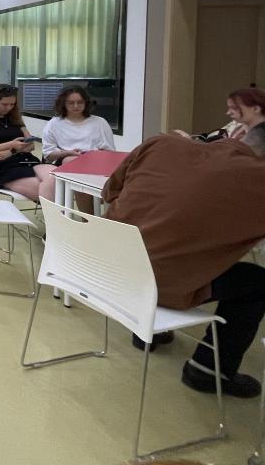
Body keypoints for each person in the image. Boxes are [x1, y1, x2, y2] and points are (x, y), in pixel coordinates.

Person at [103, 124, 265, 397]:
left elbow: (109, 192)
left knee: (165, 236)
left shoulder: (159, 144)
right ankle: (208, 371)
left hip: (103, 268)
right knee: (257, 282)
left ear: (239, 133)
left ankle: (148, 331)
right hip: (153, 284)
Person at [0, 84, 55, 202]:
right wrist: (11, 144)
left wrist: (13, 151)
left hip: (28, 161)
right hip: (7, 168)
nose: (8, 108)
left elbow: (31, 145)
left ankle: (54, 213)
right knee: (46, 189)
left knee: (57, 178)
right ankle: (55, 214)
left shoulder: (14, 119)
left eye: (12, 104)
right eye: (4, 104)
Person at [176, 87, 265, 143]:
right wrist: (189, 139)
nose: (228, 113)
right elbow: (210, 139)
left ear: (256, 109)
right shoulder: (235, 125)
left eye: (234, 108)